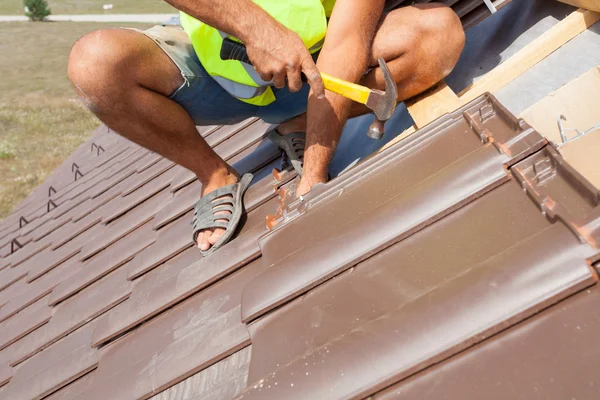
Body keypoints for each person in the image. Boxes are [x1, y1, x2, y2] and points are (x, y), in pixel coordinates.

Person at [67, 0, 465, 255]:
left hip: (314, 75)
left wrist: (312, 180)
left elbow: (345, 43)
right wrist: (254, 28)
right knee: (95, 64)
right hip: (215, 71)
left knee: (435, 36)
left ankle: (301, 123)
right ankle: (214, 177)